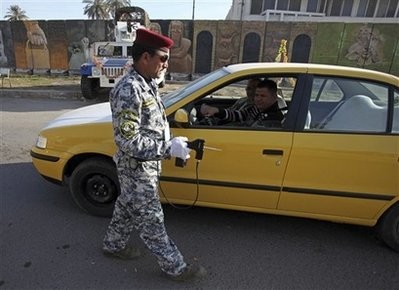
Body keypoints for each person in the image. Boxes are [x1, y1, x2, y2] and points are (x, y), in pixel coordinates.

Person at [102, 28, 206, 282]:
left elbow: (149, 126)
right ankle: (175, 267)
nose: (166, 64)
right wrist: (167, 148)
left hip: (144, 166)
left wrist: (171, 142)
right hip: (136, 169)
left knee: (127, 206)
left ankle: (113, 244)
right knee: (151, 220)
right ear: (145, 57)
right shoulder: (129, 89)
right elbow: (127, 141)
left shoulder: (146, 84)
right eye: (162, 58)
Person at [201, 79, 286, 127]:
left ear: (274, 97)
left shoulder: (272, 119)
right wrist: (216, 111)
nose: (258, 99)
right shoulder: (258, 108)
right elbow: (239, 115)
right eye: (257, 95)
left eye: (263, 96)